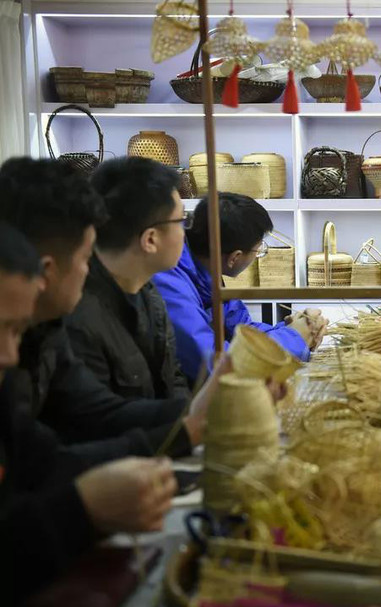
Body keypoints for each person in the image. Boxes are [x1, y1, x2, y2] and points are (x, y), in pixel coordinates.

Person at [0, 221, 178, 603]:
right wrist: (80, 509)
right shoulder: (84, 319)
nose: (9, 355)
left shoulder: (51, 335)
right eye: (85, 258)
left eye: (15, 332)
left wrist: (190, 424)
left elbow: (48, 460)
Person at [0, 157, 218, 463]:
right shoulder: (76, 319)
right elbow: (57, 459)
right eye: (85, 256)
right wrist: (189, 426)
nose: (88, 269)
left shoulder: (50, 329)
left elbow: (99, 411)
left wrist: (208, 409)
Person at [153, 192, 326, 385]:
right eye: (258, 249)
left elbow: (241, 329)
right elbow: (216, 364)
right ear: (234, 257)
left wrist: (294, 327)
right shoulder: (169, 283)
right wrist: (295, 337)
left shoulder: (204, 270)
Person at [67, 157, 191, 401]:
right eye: (181, 220)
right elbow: (101, 422)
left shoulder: (148, 291)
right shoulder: (78, 318)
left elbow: (173, 378)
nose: (185, 231)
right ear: (151, 239)